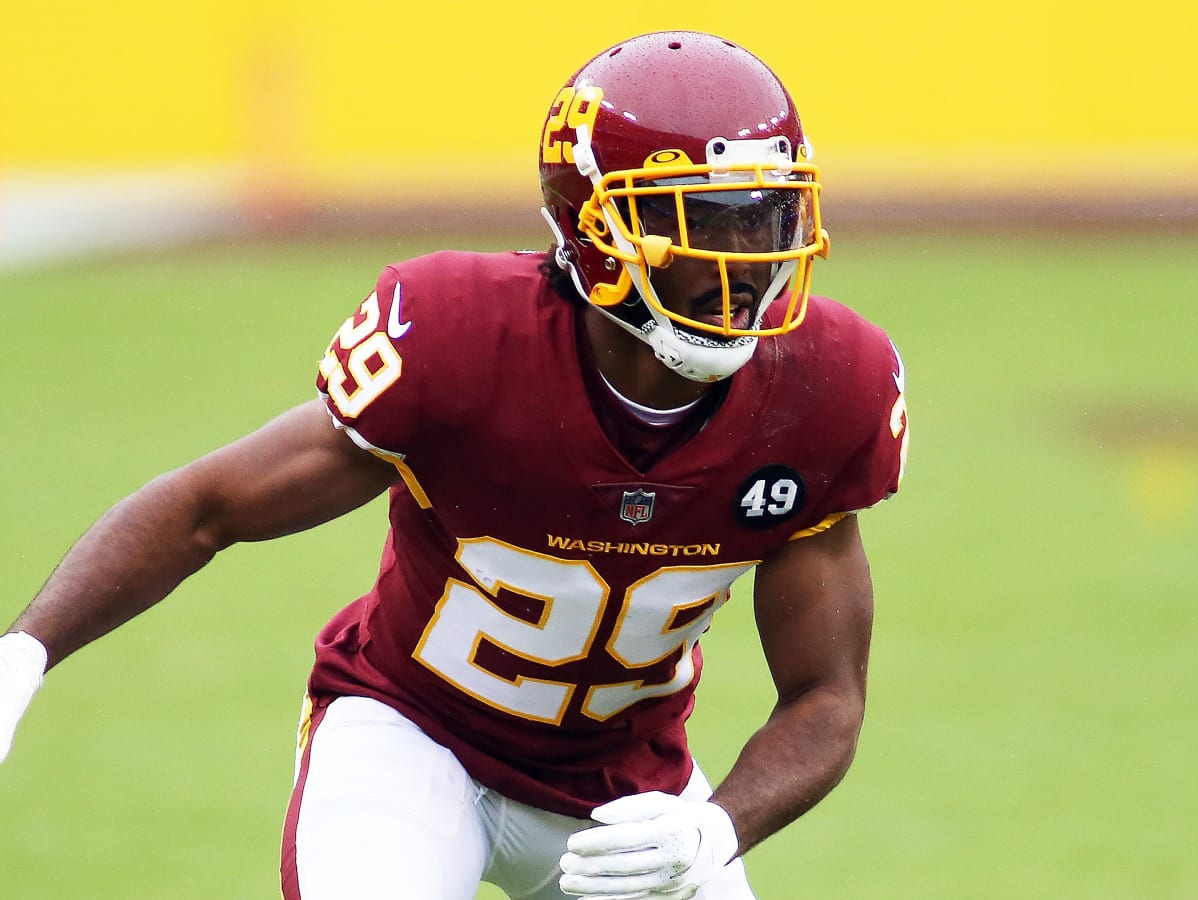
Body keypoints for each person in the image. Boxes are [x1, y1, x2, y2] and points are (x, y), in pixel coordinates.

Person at [0, 29, 909, 900]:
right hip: (414, 740)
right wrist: (23, 654)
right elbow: (209, 509)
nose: (747, 263)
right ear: (596, 233)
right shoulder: (461, 340)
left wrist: (715, 828)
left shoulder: (829, 388)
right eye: (705, 223)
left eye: (766, 217)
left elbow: (825, 696)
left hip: (627, 789)